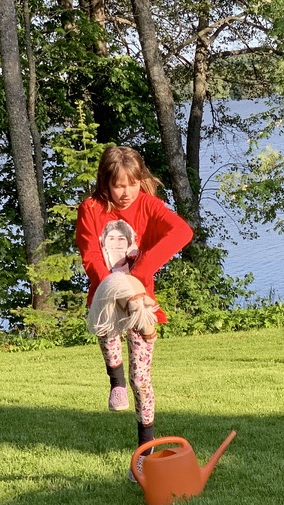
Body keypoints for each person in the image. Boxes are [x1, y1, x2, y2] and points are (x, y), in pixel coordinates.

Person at [76, 146, 194, 478]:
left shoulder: (147, 204)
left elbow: (183, 232)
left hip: (140, 301)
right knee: (108, 336)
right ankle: (114, 381)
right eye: (118, 185)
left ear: (141, 180)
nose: (126, 192)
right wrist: (114, 289)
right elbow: (90, 255)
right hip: (105, 296)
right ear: (105, 183)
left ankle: (145, 452)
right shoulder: (91, 209)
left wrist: (139, 275)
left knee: (141, 380)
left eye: (132, 183)